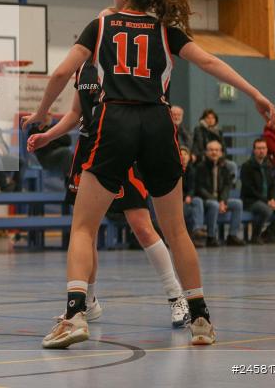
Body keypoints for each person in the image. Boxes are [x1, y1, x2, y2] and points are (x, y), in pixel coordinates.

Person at [22, 0, 275, 349]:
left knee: (84, 226)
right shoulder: (164, 29)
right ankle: (201, 318)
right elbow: (210, 62)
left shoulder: (101, 24)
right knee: (176, 230)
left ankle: (74, 315)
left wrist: (41, 114)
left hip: (115, 119)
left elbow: (60, 73)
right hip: (158, 121)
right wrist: (254, 93)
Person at [28, 56, 189, 329]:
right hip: (90, 148)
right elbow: (75, 114)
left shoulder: (122, 63)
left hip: (121, 147)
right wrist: (48, 136)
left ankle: (177, 298)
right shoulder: (81, 68)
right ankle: (87, 303)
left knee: (142, 225)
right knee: (85, 230)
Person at [241, 138, 275, 243]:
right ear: (254, 150)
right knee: (266, 210)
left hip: (267, 200)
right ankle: (255, 236)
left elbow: (272, 187)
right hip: (251, 200)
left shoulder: (269, 166)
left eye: (263, 148)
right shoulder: (246, 166)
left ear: (267, 150)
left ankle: (268, 233)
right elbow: (249, 190)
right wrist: (267, 202)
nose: (261, 151)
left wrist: (273, 200)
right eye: (259, 148)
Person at [194, 140, 244, 247]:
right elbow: (200, 188)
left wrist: (223, 201)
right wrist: (216, 201)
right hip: (205, 200)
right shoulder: (200, 167)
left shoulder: (225, 167)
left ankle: (232, 236)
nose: (214, 153)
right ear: (206, 152)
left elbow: (227, 187)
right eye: (211, 150)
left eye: (216, 150)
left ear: (221, 153)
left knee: (238, 203)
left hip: (219, 199)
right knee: (214, 205)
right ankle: (211, 237)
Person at [191, 109, 239, 185]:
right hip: (204, 158)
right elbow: (199, 147)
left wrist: (221, 158)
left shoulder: (219, 132)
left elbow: (224, 149)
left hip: (218, 159)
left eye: (213, 118)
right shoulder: (198, 130)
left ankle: (229, 185)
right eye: (208, 118)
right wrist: (210, 156)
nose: (210, 120)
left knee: (232, 165)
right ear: (203, 119)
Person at [26, 113, 73, 182]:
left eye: (50, 114)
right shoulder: (34, 130)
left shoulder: (55, 127)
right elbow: (42, 146)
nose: (49, 116)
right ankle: (69, 178)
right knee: (65, 151)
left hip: (58, 155)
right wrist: (54, 137)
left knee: (74, 156)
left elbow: (68, 141)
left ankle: (76, 178)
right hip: (45, 158)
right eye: (47, 114)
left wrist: (50, 138)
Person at [180, 146, 206, 247]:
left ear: (190, 156)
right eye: (180, 154)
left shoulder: (192, 170)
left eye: (185, 154)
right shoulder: (174, 171)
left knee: (197, 201)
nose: (183, 157)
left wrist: (189, 196)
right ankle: (196, 234)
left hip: (187, 203)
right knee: (195, 210)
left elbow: (193, 187)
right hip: (176, 204)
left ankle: (197, 230)